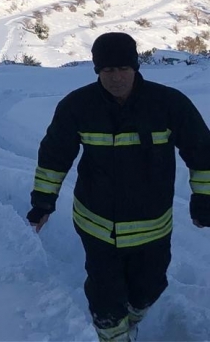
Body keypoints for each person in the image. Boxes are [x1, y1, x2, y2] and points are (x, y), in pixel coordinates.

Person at [26, 32, 210, 342]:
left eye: (123, 69)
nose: (116, 78)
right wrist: (43, 203)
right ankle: (114, 333)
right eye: (107, 71)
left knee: (148, 290)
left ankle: (131, 318)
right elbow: (54, 158)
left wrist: (204, 200)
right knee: (105, 299)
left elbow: (203, 153)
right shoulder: (77, 106)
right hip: (96, 225)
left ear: (136, 67)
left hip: (152, 226)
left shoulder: (168, 104)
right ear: (97, 71)